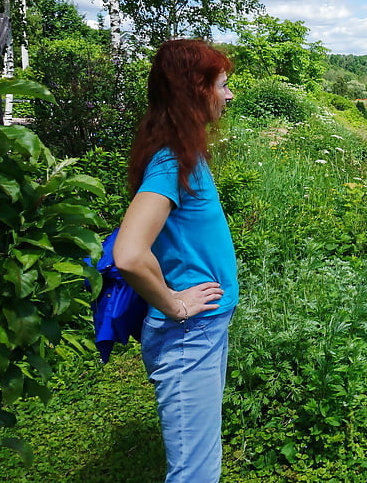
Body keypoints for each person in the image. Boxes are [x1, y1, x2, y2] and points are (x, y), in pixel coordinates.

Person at [114, 38, 238, 483]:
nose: (228, 95)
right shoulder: (171, 161)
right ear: (196, 88)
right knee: (196, 473)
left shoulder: (181, 152)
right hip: (190, 333)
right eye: (222, 84)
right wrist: (174, 303)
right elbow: (128, 253)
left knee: (201, 461)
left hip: (203, 328)